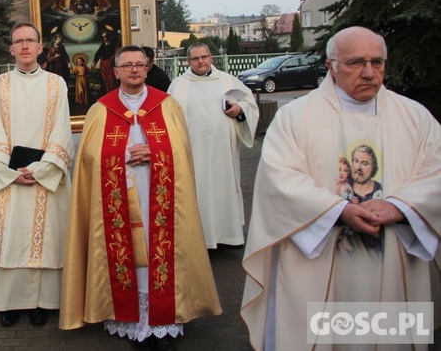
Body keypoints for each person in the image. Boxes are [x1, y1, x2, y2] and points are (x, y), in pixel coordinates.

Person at [241, 27, 441, 349]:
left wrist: (400, 206)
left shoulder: (415, 117)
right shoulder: (295, 117)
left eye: (377, 62)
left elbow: (437, 173)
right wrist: (340, 210)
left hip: (394, 259)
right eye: (355, 62)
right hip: (316, 263)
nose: (368, 72)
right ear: (330, 65)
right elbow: (279, 180)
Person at [60, 45, 221, 351]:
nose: (134, 70)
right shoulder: (100, 109)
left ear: (147, 69)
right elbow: (88, 159)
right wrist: (119, 155)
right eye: (127, 65)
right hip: (116, 198)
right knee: (128, 255)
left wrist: (156, 152)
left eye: (139, 65)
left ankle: (164, 322)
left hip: (160, 198)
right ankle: (133, 320)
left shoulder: (168, 106)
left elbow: (184, 153)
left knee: (158, 250)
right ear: (116, 72)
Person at [0, 22, 74, 328]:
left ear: (41, 48)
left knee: (47, 238)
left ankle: (44, 301)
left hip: (46, 175)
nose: (25, 46)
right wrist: (8, 172)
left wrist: (43, 168)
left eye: (31, 40)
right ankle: (9, 304)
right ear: (11, 48)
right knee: (11, 237)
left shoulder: (57, 84)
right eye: (19, 41)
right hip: (10, 175)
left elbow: (62, 129)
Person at [168, 42, 259, 248]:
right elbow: (169, 117)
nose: (201, 61)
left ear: (211, 57)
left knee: (223, 188)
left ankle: (228, 236)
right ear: (188, 61)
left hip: (223, 151)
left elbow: (249, 104)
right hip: (192, 151)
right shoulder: (178, 85)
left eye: (204, 57)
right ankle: (200, 239)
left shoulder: (228, 81)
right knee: (197, 190)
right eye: (195, 58)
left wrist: (239, 109)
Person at [92, 29, 119, 94]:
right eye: (103, 37)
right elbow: (98, 53)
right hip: (103, 64)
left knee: (111, 79)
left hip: (110, 63)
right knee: (104, 79)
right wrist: (94, 62)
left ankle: (112, 93)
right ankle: (105, 93)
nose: (105, 38)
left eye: (106, 36)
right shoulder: (103, 45)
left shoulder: (113, 43)